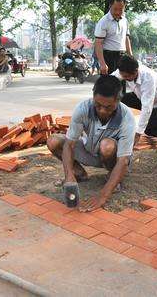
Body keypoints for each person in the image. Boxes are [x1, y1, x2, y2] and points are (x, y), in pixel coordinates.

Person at [46, 76, 136, 212]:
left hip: (112, 157)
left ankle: (112, 177)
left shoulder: (126, 118)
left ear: (118, 101)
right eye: (98, 105)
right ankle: (79, 174)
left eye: (109, 107)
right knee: (53, 141)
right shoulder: (82, 109)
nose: (102, 111)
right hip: (89, 151)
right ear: (93, 96)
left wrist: (102, 196)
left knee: (107, 146)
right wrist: (68, 175)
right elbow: (69, 145)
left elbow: (123, 160)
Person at [113, 54, 157, 146]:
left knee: (151, 130)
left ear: (136, 71)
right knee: (117, 99)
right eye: (123, 76)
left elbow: (147, 108)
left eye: (127, 77)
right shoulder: (125, 70)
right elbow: (111, 79)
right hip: (141, 97)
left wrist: (138, 133)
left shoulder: (148, 79)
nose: (124, 78)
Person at [94, 0, 133, 76]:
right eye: (115, 9)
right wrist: (102, 63)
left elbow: (126, 39)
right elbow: (98, 43)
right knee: (109, 86)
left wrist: (131, 57)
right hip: (108, 57)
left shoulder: (125, 21)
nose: (118, 12)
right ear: (110, 6)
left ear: (124, 7)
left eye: (121, 9)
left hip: (122, 57)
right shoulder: (104, 21)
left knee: (121, 85)